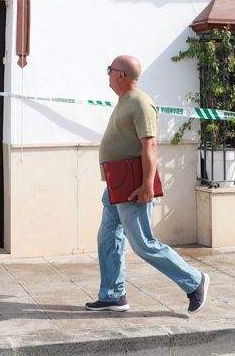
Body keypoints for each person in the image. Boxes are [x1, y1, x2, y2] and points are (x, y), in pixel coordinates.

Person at [84, 55, 209, 313]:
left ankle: (194, 282)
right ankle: (112, 295)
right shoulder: (124, 102)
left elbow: (149, 145)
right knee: (107, 239)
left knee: (143, 243)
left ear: (121, 75)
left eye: (110, 69)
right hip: (116, 184)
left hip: (132, 185)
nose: (107, 74)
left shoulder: (141, 102)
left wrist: (147, 185)